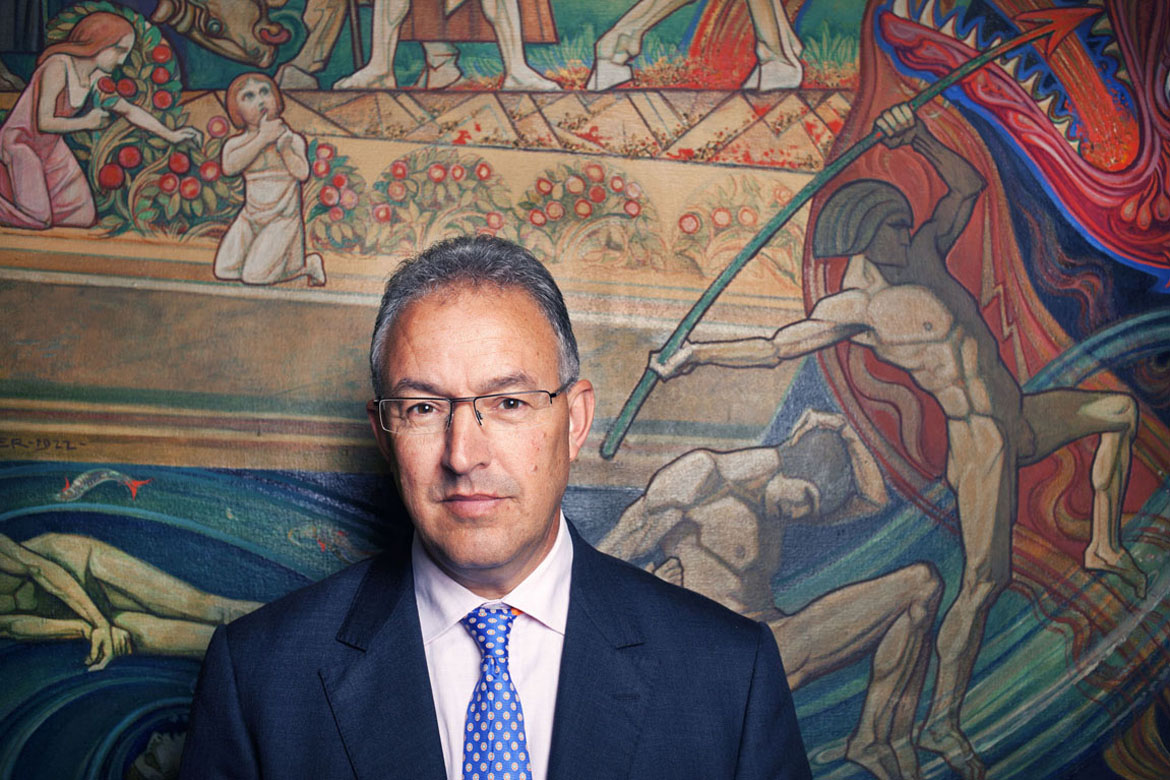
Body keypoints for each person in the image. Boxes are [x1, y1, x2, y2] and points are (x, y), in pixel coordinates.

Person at [180, 235, 812, 779]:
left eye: (509, 403)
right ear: (383, 433)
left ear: (575, 420)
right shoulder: (260, 678)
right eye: (424, 408)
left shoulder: (730, 674)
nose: (463, 454)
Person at [650, 101, 1144, 780]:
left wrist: (915, 139)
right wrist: (697, 357)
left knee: (1118, 412)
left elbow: (966, 186)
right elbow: (772, 347)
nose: (905, 230)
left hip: (1019, 415)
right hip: (980, 441)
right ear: (864, 235)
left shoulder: (922, 256)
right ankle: (942, 722)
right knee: (983, 581)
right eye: (890, 226)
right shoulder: (854, 309)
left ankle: (1104, 543)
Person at [599, 409, 941, 780]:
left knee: (922, 584)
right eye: (802, 500)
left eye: (806, 510)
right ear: (788, 466)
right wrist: (649, 582)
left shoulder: (780, 505)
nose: (797, 515)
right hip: (718, 658)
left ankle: (872, 738)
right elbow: (602, 560)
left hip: (773, 644)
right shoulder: (699, 479)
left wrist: (843, 429)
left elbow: (874, 501)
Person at [0, 11, 202, 230]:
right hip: (21, 144)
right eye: (119, 50)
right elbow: (44, 123)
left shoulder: (95, 79)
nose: (123, 60)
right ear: (100, 42)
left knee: (82, 218)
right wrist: (86, 122)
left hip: (49, 149)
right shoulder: (58, 66)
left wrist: (170, 135)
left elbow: (130, 111)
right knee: (39, 219)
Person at [0, 532, 261, 665]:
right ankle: (285, 666)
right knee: (202, 643)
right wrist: (84, 629)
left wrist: (99, 624)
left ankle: (298, 630)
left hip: (79, 563)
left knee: (205, 607)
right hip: (72, 613)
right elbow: (14, 628)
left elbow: (41, 570)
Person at [212, 73, 326, 287]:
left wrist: (284, 150)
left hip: (282, 218)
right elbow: (229, 167)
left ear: (276, 99)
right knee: (224, 270)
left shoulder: (291, 139)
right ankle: (282, 263)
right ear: (236, 111)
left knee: (255, 277)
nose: (260, 100)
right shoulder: (237, 144)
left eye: (265, 92)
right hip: (251, 217)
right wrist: (263, 138)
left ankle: (307, 265)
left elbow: (302, 173)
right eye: (249, 96)